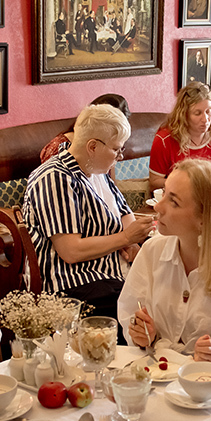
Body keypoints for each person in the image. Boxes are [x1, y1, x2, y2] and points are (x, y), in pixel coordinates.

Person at [119, 158, 211, 404]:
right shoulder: (152, 252)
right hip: (157, 374)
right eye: (163, 194)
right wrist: (142, 333)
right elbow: (130, 314)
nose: (158, 207)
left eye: (173, 201)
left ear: (204, 218)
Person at [22, 102, 154, 318]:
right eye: (116, 149)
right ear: (92, 146)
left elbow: (123, 212)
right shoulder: (55, 178)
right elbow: (71, 251)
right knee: (143, 309)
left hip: (110, 273)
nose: (120, 156)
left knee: (168, 292)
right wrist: (125, 238)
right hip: (73, 282)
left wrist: (132, 244)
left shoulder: (97, 169)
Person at [150, 81, 211, 187]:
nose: (205, 119)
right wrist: (192, 184)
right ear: (184, 115)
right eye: (197, 113)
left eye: (209, 111)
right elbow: (154, 183)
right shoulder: (164, 140)